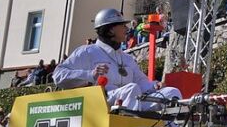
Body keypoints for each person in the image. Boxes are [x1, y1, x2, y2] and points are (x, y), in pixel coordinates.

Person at [53, 8, 181, 112]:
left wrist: (154, 86)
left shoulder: (127, 58)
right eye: (123, 25)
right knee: (132, 89)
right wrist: (90, 74)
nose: (127, 29)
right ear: (111, 29)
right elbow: (58, 76)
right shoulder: (87, 52)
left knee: (171, 92)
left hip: (130, 101)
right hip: (101, 104)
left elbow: (141, 82)